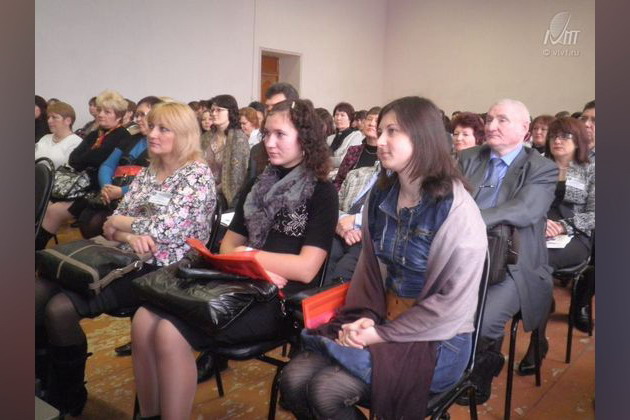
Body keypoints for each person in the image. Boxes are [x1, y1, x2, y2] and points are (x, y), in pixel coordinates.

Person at [279, 96, 487, 419]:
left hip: (437, 340)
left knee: (325, 390)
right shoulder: (381, 194)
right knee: (292, 380)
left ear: (423, 137)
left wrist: (380, 334)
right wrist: (367, 318)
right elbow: (370, 273)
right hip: (383, 318)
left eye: (393, 131)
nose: (381, 140)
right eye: (381, 131)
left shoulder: (457, 210)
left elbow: (450, 306)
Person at [131, 98, 337, 419]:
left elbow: (306, 269)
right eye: (266, 134)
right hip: (242, 282)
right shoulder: (258, 183)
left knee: (169, 332)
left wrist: (251, 256)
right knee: (143, 319)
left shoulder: (322, 191)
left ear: (305, 138)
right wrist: (250, 261)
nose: (269, 143)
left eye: (280, 135)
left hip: (279, 300)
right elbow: (228, 247)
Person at [35, 101, 216, 416]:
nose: (152, 134)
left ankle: (66, 398)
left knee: (59, 309)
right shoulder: (150, 170)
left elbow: (166, 229)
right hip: (123, 255)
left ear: (184, 134)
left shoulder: (196, 174)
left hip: (163, 271)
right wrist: (129, 234)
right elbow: (110, 224)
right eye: (152, 127)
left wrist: (122, 224)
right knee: (37, 291)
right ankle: (44, 386)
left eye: (163, 129)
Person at [455, 99, 558, 405]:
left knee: (484, 322)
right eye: (489, 119)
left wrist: (471, 218)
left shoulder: (542, 167)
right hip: (463, 255)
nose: (492, 126)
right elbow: (447, 197)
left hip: (514, 261)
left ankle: (482, 368)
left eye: (502, 120)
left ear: (525, 129)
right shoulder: (468, 157)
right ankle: (453, 365)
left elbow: (525, 210)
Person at [517, 116, 595, 375]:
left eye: (565, 136)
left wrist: (563, 226)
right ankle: (542, 308)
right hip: (537, 230)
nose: (558, 140)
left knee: (540, 264)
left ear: (579, 140)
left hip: (575, 236)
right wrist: (540, 223)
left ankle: (537, 341)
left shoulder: (591, 169)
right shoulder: (538, 166)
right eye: (554, 136)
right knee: (512, 255)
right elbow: (524, 202)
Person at [36, 90, 133, 250]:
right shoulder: (96, 133)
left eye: (107, 112)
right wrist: (90, 158)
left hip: (98, 188)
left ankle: (36, 252)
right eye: (100, 110)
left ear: (119, 116)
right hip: (81, 184)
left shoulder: (122, 136)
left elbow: (97, 161)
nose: (100, 114)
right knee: (45, 206)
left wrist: (88, 157)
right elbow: (74, 160)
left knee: (53, 211)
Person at [76, 96, 163, 239]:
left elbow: (157, 180)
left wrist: (122, 191)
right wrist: (106, 187)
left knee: (97, 222)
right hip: (113, 190)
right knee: (86, 217)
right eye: (137, 115)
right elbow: (108, 165)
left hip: (137, 197)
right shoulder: (131, 138)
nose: (137, 119)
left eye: (142, 115)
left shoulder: (161, 144)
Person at [200, 94, 249, 209]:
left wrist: (213, 191)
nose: (213, 113)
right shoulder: (206, 137)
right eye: (212, 110)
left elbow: (238, 175)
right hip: (203, 191)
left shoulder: (239, 138)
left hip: (225, 198)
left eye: (219, 110)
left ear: (230, 112)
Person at [246, 82, 300, 181]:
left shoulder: (316, 184)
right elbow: (248, 185)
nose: (271, 112)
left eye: (278, 107)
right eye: (268, 108)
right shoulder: (257, 150)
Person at [333, 106, 381, 190]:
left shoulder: (386, 155)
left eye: (376, 121)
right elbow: (339, 180)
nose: (371, 123)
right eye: (369, 119)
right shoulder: (353, 151)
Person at [35, 101, 83, 168]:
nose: (49, 121)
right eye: (48, 117)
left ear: (68, 121)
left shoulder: (76, 142)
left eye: (54, 117)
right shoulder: (45, 138)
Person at [327, 101, 363, 170]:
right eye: (336, 115)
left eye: (342, 115)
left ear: (350, 119)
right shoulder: (329, 138)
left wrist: (325, 160)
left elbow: (344, 160)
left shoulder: (356, 135)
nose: (338, 118)